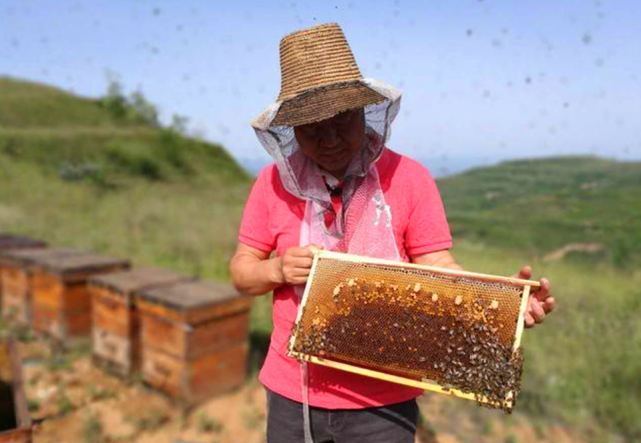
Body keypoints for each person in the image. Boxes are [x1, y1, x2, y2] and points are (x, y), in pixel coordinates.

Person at [230, 23, 555, 443]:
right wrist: (276, 269)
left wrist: (501, 310)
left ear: (364, 111)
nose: (329, 139)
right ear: (291, 129)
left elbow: (437, 266)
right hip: (295, 393)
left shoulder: (410, 178)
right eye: (312, 127)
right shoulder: (271, 184)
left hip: (383, 397)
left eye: (341, 120)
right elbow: (242, 271)